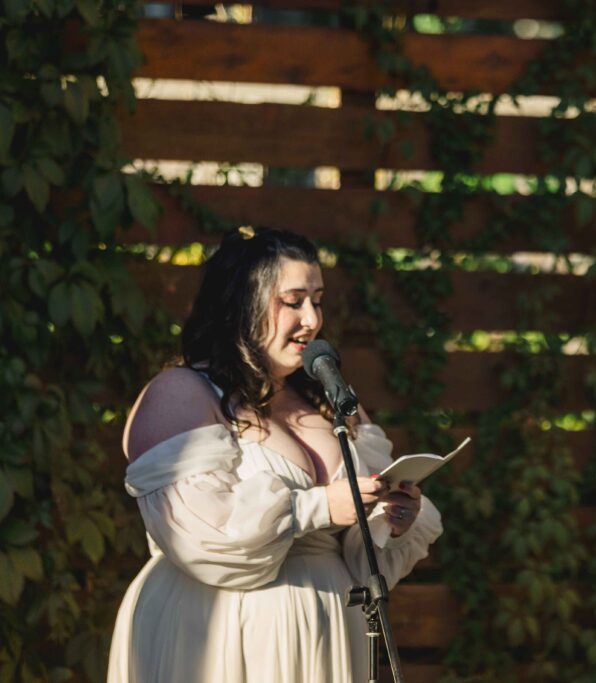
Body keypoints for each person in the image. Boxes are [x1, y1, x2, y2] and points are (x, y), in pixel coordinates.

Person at [107, 228, 443, 682]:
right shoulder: (182, 393)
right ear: (242, 304)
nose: (312, 320)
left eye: (318, 301)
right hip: (224, 635)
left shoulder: (330, 398)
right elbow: (199, 536)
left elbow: (364, 562)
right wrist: (322, 506)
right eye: (293, 301)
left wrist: (391, 521)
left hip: (330, 629)